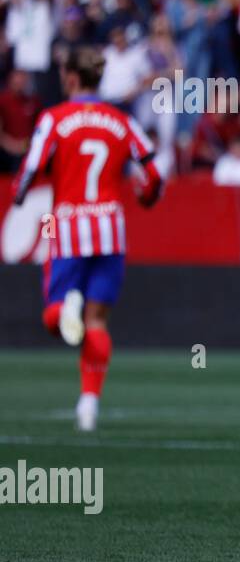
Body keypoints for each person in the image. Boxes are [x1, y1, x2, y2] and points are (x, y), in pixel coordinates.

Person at [11, 47, 164, 431]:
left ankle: (66, 311)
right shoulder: (121, 120)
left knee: (55, 317)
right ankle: (89, 405)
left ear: (71, 78)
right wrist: (146, 199)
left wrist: (18, 194)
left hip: (68, 227)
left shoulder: (54, 118)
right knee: (97, 323)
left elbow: (30, 168)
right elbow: (154, 173)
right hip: (111, 229)